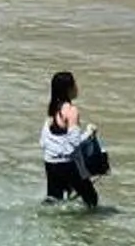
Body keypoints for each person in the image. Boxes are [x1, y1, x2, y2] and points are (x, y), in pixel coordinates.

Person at [40, 70, 106, 209]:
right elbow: (74, 143)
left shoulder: (52, 109)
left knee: (53, 200)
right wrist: (89, 132)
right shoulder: (71, 111)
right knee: (92, 200)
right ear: (68, 89)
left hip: (50, 162)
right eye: (75, 83)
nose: (77, 86)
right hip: (67, 164)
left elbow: (46, 139)